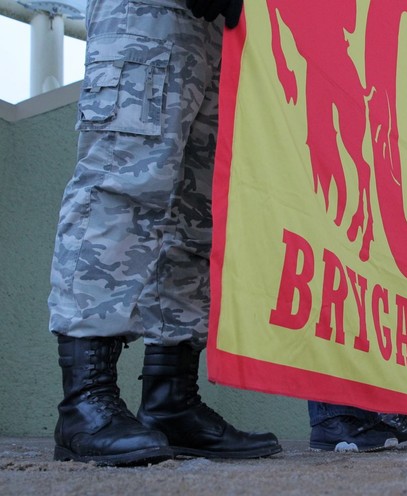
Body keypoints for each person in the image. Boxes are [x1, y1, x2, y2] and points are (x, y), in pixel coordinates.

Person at [47, 0, 282, 466]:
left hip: (222, 26)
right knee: (120, 187)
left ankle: (170, 400)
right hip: (149, 12)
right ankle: (84, 402)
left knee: (198, 212)